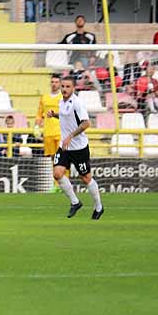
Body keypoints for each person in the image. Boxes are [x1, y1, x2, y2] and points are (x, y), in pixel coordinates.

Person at [52, 75, 104, 220]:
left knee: (86, 178)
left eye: (68, 87)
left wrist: (71, 136)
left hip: (79, 148)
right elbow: (65, 116)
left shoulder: (78, 103)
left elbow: (86, 123)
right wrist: (54, 115)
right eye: (63, 86)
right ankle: (75, 202)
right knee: (57, 173)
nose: (64, 89)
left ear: (73, 88)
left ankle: (98, 206)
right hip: (65, 147)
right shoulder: (61, 102)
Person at [37, 73, 62, 159]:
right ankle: (54, 173)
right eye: (52, 82)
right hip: (48, 132)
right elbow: (39, 114)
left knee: (62, 156)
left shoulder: (63, 97)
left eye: (56, 82)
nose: (54, 84)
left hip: (60, 132)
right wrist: (37, 126)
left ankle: (65, 173)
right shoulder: (44, 97)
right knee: (51, 157)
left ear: (60, 83)